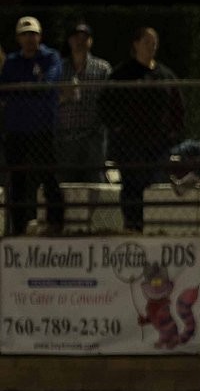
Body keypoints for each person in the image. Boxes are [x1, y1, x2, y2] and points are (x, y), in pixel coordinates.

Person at [99, 26, 183, 233]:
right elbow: (105, 104)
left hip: (158, 143)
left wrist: (173, 133)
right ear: (136, 44)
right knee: (132, 185)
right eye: (147, 41)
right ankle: (132, 227)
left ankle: (156, 228)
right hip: (130, 143)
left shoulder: (165, 75)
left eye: (154, 42)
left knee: (155, 184)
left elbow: (178, 107)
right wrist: (117, 127)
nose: (151, 46)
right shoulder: (122, 74)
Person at [1, 16, 65, 235]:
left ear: (40, 36)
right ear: (18, 38)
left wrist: (20, 89)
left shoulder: (51, 57)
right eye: (25, 34)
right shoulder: (11, 61)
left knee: (49, 177)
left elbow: (48, 85)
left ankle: (56, 224)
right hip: (17, 130)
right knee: (17, 180)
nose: (30, 39)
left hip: (42, 129)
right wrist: (31, 87)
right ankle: (17, 228)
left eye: (33, 34)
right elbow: (5, 88)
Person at [57, 22, 111, 183]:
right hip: (66, 137)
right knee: (66, 184)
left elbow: (111, 102)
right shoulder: (59, 68)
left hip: (93, 137)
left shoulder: (102, 68)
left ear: (91, 41)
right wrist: (64, 96)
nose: (80, 41)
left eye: (84, 38)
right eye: (76, 37)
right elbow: (48, 100)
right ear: (69, 41)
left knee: (95, 182)